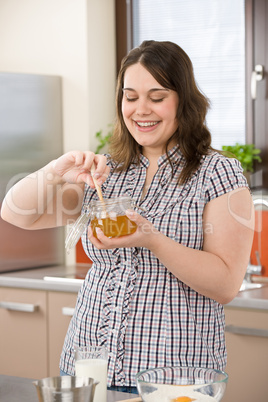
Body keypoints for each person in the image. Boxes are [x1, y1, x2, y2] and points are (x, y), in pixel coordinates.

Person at [1, 40, 254, 393]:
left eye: (157, 96)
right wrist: (56, 169)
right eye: (130, 96)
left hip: (171, 375)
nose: (140, 109)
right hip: (89, 367)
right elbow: (15, 213)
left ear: (183, 100)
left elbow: (226, 284)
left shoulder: (217, 172)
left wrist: (151, 238)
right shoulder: (108, 171)